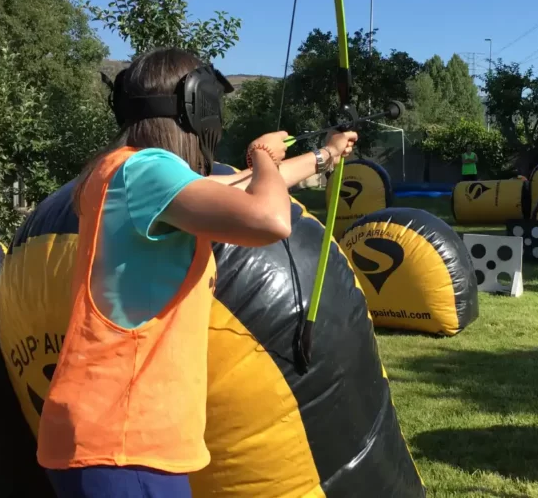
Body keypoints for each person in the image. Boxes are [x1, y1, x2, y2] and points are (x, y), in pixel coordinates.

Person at [36, 46, 357, 498]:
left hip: (107, 439)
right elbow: (269, 218)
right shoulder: (147, 169)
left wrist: (325, 156)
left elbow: (236, 186)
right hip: (125, 442)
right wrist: (262, 153)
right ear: (194, 107)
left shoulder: (122, 170)